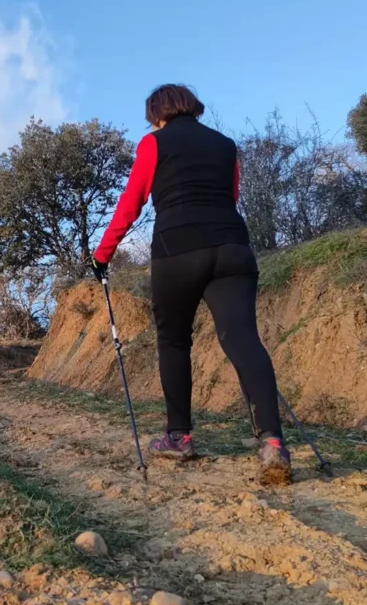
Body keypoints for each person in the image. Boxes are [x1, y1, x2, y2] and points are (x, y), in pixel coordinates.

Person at [92, 83, 291, 486]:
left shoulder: (153, 143)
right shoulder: (225, 145)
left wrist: (103, 254)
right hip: (232, 247)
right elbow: (231, 196)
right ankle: (272, 442)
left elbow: (131, 203)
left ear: (157, 114)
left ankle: (179, 437)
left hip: (177, 250)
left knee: (174, 341)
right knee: (242, 338)